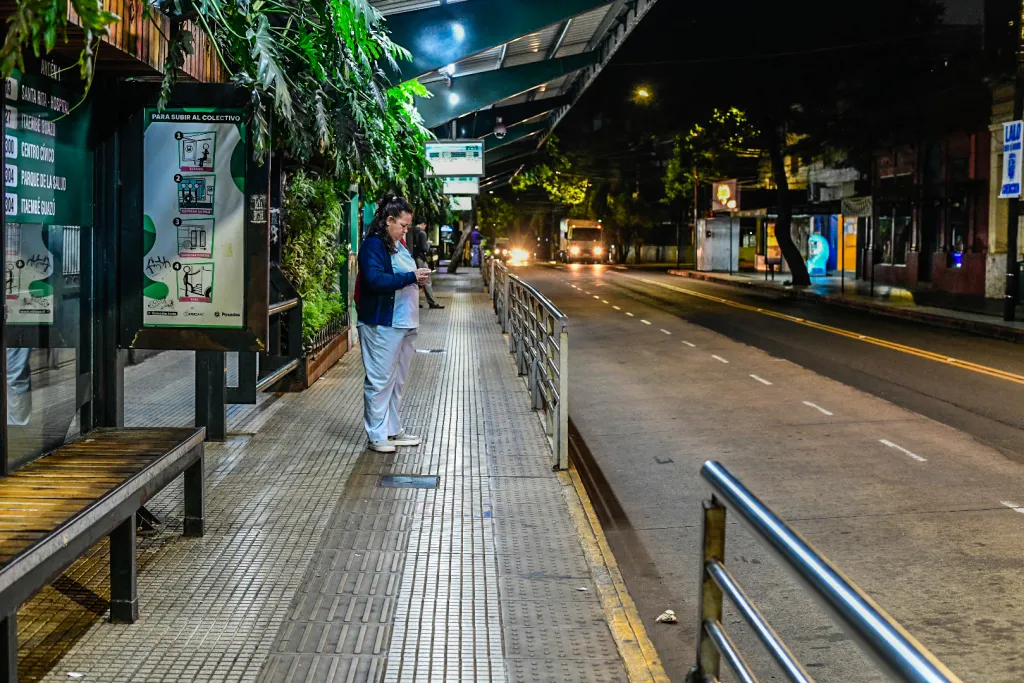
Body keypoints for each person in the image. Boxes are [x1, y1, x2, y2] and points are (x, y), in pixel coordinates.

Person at [356, 194, 432, 453]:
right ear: (389, 220)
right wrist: (411, 276)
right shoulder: (373, 246)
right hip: (382, 323)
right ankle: (377, 435)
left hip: (403, 322)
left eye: (408, 226)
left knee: (396, 380)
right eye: (403, 225)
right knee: (380, 380)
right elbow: (375, 280)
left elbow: (400, 277)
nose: (406, 230)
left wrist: (416, 279)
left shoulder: (398, 245)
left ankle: (392, 429)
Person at [412, 222, 444, 309]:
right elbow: (424, 248)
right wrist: (428, 243)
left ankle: (414, 302)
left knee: (414, 281)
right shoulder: (422, 233)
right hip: (420, 259)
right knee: (426, 280)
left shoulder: (410, 231)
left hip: (412, 259)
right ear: (423, 224)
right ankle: (432, 302)